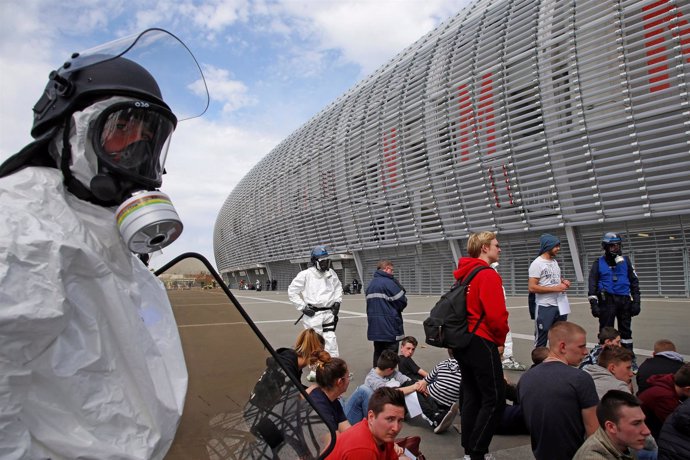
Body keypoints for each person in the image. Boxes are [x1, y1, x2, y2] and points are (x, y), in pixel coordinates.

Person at [0, 30, 208, 460]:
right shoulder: (21, 231)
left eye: (150, 136)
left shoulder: (104, 237)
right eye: (122, 127)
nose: (138, 146)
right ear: (72, 133)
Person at [451, 231, 510, 460]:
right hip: (482, 340)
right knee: (494, 398)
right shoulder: (487, 275)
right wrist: (500, 340)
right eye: (496, 244)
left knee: (472, 395)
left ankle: (470, 449)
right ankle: (477, 452)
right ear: (484, 248)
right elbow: (496, 315)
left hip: (463, 341)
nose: (499, 248)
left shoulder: (464, 274)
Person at [518, 321, 599, 460]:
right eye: (582, 346)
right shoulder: (580, 378)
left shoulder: (525, 379)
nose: (586, 352)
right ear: (562, 347)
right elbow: (595, 434)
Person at [588, 232, 641, 370]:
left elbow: (634, 283)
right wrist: (594, 304)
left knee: (626, 333)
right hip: (607, 301)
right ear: (605, 247)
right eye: (612, 246)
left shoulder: (626, 261)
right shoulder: (598, 263)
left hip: (624, 300)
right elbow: (592, 285)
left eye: (618, 245)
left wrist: (636, 302)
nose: (616, 248)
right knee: (606, 333)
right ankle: (603, 359)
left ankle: (629, 359)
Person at [288, 245, 343, 357]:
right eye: (322, 261)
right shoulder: (306, 274)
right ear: (315, 261)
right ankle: (315, 367)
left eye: (327, 261)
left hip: (329, 312)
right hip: (313, 314)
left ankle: (332, 362)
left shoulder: (331, 273)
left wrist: (337, 302)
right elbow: (292, 291)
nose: (325, 264)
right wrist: (302, 307)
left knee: (330, 337)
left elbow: (338, 287)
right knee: (314, 340)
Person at [344, 350, 424, 426]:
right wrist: (414, 387)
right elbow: (392, 392)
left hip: (379, 409)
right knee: (364, 389)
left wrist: (421, 384)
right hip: (362, 416)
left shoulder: (390, 372)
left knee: (409, 386)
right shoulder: (372, 380)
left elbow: (404, 378)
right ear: (389, 369)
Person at [327, 387, 408, 459]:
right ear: (371, 417)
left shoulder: (382, 434)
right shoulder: (363, 450)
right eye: (390, 419)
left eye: (400, 420)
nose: (396, 428)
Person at [573, 390, 651, 460]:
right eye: (636, 423)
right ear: (611, 427)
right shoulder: (592, 457)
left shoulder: (621, 440)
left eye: (643, 421)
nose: (647, 431)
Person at [528, 233, 571, 347]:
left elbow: (554, 278)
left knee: (559, 337)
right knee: (542, 339)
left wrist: (563, 281)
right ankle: (538, 364)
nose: (558, 249)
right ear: (548, 246)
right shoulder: (537, 264)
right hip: (545, 306)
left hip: (560, 305)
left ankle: (555, 362)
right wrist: (556, 288)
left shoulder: (554, 262)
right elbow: (532, 287)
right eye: (556, 246)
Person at [366, 260, 408, 368]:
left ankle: (376, 373)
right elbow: (402, 301)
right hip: (389, 325)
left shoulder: (371, 284)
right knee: (391, 353)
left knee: (378, 352)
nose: (393, 273)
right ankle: (390, 377)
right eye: (391, 270)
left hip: (375, 326)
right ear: (386, 269)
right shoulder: (389, 282)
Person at [306, 351, 352, 439]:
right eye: (348, 376)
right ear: (340, 382)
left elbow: (349, 432)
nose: (349, 380)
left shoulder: (333, 401)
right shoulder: (321, 410)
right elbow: (335, 444)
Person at [638, 363, 690, 439]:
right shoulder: (665, 398)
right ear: (688, 389)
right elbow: (677, 424)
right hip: (645, 436)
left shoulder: (669, 383)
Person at [417, 350, 462, 434]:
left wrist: (419, 384)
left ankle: (433, 417)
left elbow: (426, 380)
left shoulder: (442, 364)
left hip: (432, 396)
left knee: (416, 391)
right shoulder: (467, 368)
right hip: (449, 402)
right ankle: (443, 412)